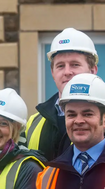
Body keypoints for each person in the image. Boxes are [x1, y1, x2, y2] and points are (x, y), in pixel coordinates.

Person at [24, 28, 98, 161]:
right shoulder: (34, 123)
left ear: (93, 70)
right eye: (60, 66)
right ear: (52, 73)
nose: (67, 72)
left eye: (75, 65)